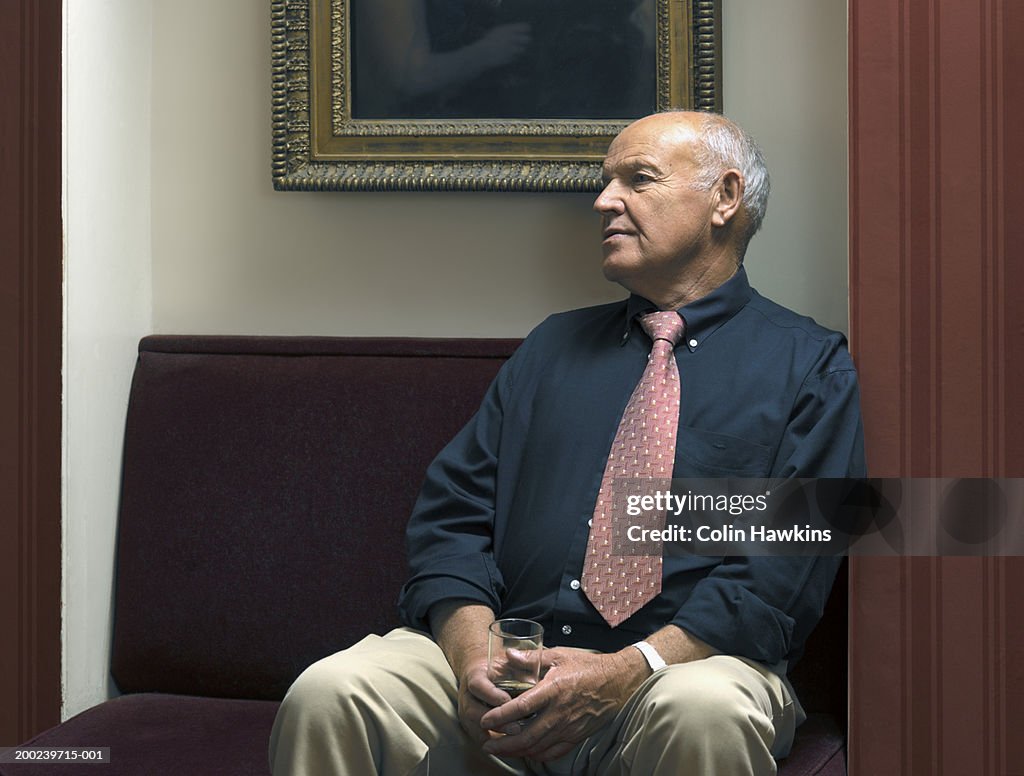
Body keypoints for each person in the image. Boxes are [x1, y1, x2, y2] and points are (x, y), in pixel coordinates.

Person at [268, 110, 866, 776]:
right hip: (510, 662)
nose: (603, 200)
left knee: (707, 712)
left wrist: (622, 671)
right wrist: (475, 661)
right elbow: (450, 523)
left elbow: (776, 580)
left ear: (725, 198)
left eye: (637, 179)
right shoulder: (552, 347)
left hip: (681, 672)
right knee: (334, 692)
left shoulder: (810, 368)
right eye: (605, 181)